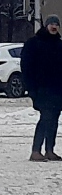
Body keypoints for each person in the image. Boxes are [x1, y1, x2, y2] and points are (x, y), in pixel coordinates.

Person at [21, 15, 62, 161]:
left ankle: (50, 150)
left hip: (57, 90)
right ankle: (35, 151)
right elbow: (26, 68)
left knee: (54, 120)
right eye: (51, 24)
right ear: (46, 25)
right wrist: (31, 89)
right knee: (45, 118)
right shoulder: (34, 43)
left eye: (56, 24)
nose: (54, 26)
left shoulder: (59, 44)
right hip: (41, 89)